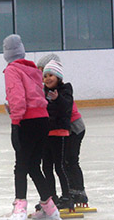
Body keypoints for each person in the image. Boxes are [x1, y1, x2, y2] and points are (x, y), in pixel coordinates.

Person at [0, 34, 62, 220]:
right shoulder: (32, 68)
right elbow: (36, 95)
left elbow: (17, 97)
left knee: (21, 166)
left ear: (6, 53)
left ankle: (20, 209)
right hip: (42, 120)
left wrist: (15, 123)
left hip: (27, 121)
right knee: (34, 166)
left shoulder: (12, 70)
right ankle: (50, 209)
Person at [37, 54, 88, 204]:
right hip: (62, 129)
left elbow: (64, 108)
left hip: (74, 127)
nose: (42, 75)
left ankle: (78, 192)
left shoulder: (61, 91)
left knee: (70, 160)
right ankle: (69, 192)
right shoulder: (48, 89)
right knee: (63, 162)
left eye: (43, 70)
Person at [41, 60, 74, 210]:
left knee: (59, 167)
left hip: (60, 132)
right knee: (46, 167)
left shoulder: (65, 89)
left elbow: (67, 106)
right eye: (45, 76)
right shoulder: (43, 91)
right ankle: (51, 197)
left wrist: (57, 98)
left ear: (58, 77)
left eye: (51, 75)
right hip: (46, 133)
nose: (47, 78)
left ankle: (67, 197)